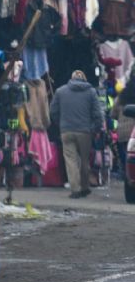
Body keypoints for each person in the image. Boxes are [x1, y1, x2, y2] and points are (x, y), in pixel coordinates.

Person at [50, 70, 104, 198]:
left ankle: (75, 189)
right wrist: (96, 128)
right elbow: (98, 113)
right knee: (84, 161)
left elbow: (53, 111)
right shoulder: (91, 92)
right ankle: (84, 187)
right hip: (85, 132)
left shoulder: (60, 91)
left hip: (66, 131)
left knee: (71, 160)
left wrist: (60, 123)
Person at [111, 78, 135, 178]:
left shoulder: (120, 99)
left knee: (125, 154)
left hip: (123, 132)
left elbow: (112, 114)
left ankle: (126, 174)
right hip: (133, 130)